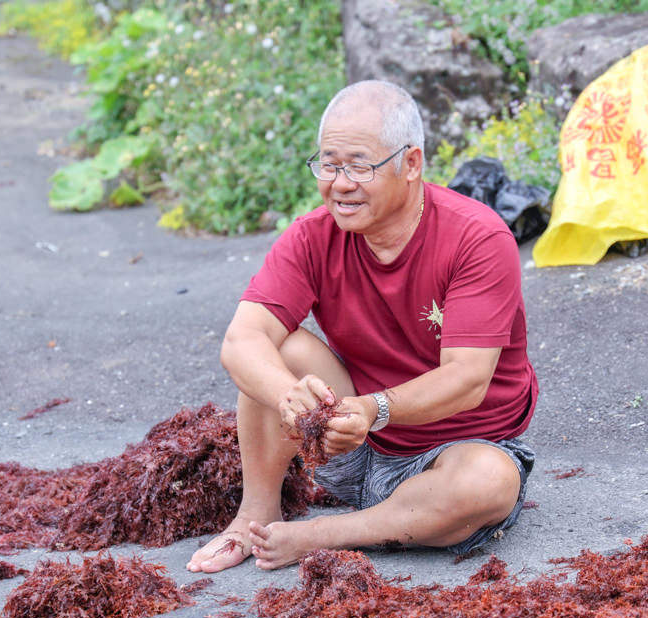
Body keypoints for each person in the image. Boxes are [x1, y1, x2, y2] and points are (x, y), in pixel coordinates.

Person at [186, 80, 538, 573]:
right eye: (329, 165)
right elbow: (242, 340)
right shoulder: (311, 237)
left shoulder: (476, 238)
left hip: (454, 455)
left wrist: (375, 409)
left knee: (489, 482)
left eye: (359, 166)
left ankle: (323, 535)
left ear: (411, 164)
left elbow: (467, 379)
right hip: (347, 441)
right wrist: (291, 399)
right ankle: (255, 517)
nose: (340, 183)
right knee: (277, 350)